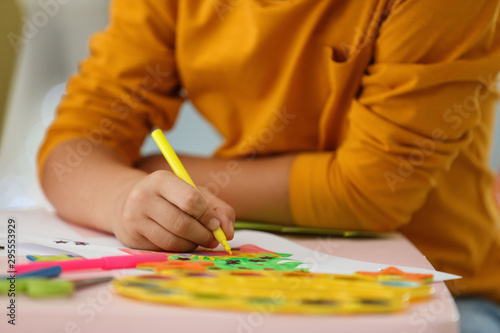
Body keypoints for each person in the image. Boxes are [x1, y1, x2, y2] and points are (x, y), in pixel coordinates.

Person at [38, 0, 500, 331]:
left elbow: (371, 191)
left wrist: (160, 169)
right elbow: (74, 148)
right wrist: (121, 197)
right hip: (249, 278)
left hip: (445, 291)